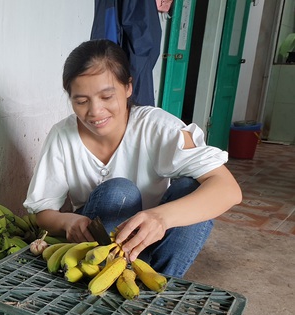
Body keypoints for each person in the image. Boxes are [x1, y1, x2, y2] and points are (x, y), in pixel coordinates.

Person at [23, 39, 242, 278]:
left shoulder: (158, 128)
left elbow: (228, 189)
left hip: (155, 241)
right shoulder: (62, 136)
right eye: (81, 101)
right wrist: (66, 221)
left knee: (193, 189)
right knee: (120, 191)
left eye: (107, 97)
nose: (95, 111)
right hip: (98, 243)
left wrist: (161, 218)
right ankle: (108, 277)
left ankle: (159, 286)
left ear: (128, 87)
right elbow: (41, 211)